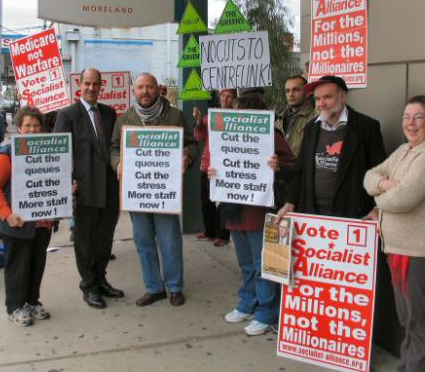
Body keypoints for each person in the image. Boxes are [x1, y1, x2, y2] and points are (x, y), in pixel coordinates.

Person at [363, 96, 425, 372]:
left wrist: (381, 196)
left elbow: (403, 199)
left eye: (418, 117)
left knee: (419, 324)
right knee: (409, 321)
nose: (411, 123)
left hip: (423, 253)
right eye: (406, 117)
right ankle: (407, 367)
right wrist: (387, 183)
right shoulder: (405, 150)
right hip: (400, 249)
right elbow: (369, 176)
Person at [208, 94, 296, 336]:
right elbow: (213, 161)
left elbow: (294, 165)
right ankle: (248, 302)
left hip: (261, 210)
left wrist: (279, 165)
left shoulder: (272, 136)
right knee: (246, 263)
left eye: (243, 113)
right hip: (234, 209)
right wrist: (213, 171)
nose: (238, 117)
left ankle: (267, 312)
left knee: (263, 265)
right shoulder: (224, 136)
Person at [110, 72, 198, 307]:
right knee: (143, 240)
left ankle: (174, 286)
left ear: (158, 89)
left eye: (149, 87)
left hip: (164, 192)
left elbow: (191, 143)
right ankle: (153, 287)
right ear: (134, 91)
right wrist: (117, 161)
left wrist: (187, 156)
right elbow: (114, 147)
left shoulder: (175, 115)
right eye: (140, 88)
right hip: (137, 191)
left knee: (169, 239)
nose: (145, 92)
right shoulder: (125, 119)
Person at [54, 68, 123, 310]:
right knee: (85, 241)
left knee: (105, 239)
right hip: (83, 189)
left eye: (96, 84)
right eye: (87, 84)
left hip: (109, 188)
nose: (91, 88)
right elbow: (59, 154)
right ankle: (89, 286)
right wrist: (67, 184)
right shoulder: (67, 115)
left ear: (101, 86)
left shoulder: (109, 113)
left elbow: (115, 147)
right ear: (79, 86)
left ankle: (100, 279)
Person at [276, 75, 386, 221]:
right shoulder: (311, 128)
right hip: (312, 214)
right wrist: (290, 202)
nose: (321, 103)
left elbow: (380, 171)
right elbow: (300, 171)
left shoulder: (366, 127)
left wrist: (378, 207)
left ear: (343, 97)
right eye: (317, 99)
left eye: (327, 97)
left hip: (352, 215)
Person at [0, 106, 53, 327]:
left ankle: (31, 302)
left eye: (36, 125)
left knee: (37, 265)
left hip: (41, 223)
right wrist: (7, 216)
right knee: (18, 266)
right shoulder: (7, 155)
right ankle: (14, 307)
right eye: (28, 125)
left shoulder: (49, 153)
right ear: (19, 128)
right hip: (16, 223)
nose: (33, 130)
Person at [193, 88, 236, 246]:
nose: (225, 99)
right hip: (208, 165)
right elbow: (199, 136)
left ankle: (223, 235)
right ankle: (209, 230)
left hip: (228, 167)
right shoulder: (210, 117)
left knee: (224, 203)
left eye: (229, 96)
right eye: (223, 95)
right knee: (206, 201)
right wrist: (198, 121)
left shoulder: (238, 117)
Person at [275, 75, 318, 158]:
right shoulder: (279, 119)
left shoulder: (315, 118)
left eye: (296, 90)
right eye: (287, 91)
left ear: (307, 92)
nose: (291, 94)